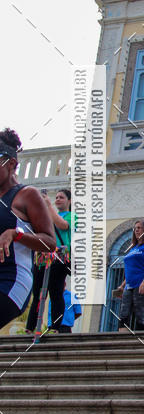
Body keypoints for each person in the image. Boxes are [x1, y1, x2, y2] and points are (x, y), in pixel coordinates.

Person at [0, 128, 56, 329]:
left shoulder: (27, 195)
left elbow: (49, 243)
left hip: (11, 281)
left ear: (11, 164)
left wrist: (16, 234)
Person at [26, 188, 74, 333]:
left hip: (59, 257)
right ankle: (31, 326)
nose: (58, 199)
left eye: (61, 197)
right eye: (56, 197)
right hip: (42, 256)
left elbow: (62, 225)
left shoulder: (72, 216)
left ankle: (55, 327)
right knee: (38, 293)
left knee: (56, 293)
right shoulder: (48, 214)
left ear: (69, 201)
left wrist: (48, 205)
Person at [114, 220, 144, 332]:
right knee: (124, 313)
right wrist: (122, 286)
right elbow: (132, 269)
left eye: (139, 228)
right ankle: (121, 339)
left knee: (140, 312)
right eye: (135, 228)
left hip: (143, 283)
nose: (136, 230)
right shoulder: (133, 248)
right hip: (129, 285)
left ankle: (142, 338)